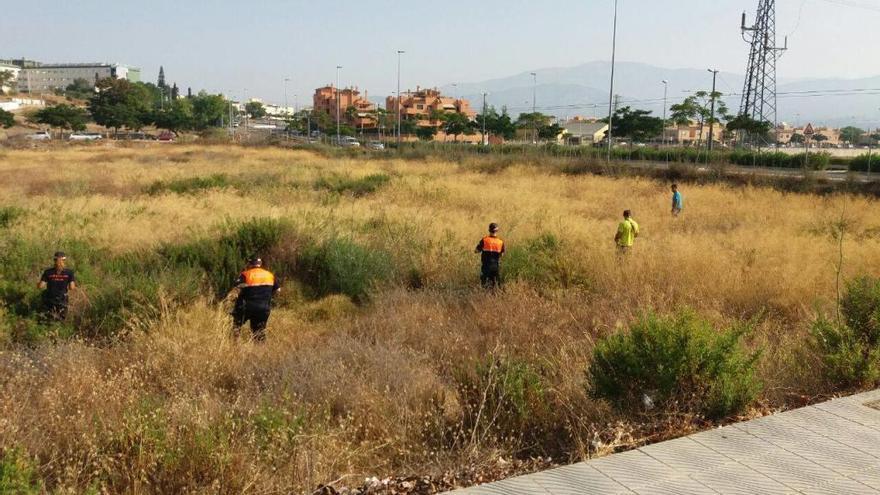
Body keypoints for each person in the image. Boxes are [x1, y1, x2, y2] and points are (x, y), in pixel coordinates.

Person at [231, 256, 280, 342]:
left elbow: (236, 287)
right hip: (264, 308)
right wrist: (268, 297)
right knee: (259, 332)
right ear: (260, 264)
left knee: (237, 325)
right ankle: (259, 352)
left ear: (250, 264)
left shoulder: (246, 274)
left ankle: (235, 345)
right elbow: (278, 290)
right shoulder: (269, 275)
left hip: (247, 306)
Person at [37, 251, 77, 322]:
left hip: (49, 299)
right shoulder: (69, 272)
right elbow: (72, 287)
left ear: (54, 260)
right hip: (62, 299)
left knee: (47, 319)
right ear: (64, 260)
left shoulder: (48, 272)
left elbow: (40, 286)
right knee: (61, 320)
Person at [475, 222, 505, 289]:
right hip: (495, 266)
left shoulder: (484, 240)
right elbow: (502, 254)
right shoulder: (500, 242)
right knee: (496, 285)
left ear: (489, 230)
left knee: (484, 285)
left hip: (486, 266)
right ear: (497, 231)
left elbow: (476, 251)